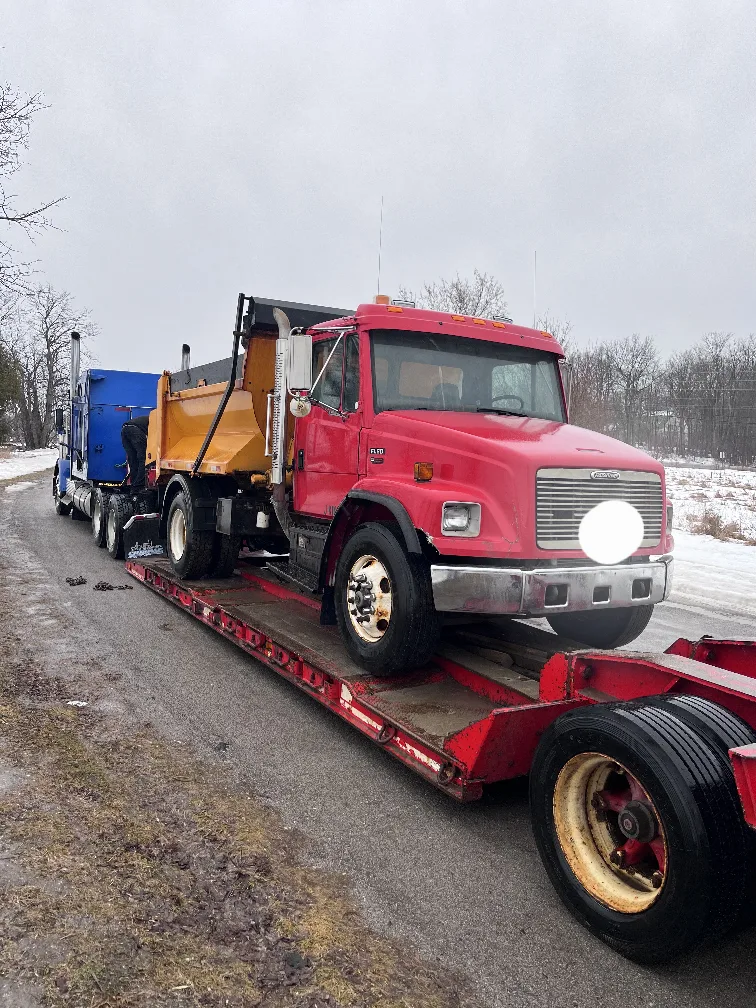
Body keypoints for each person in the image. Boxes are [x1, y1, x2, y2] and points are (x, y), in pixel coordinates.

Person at [120, 414, 150, 490]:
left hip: (124, 430)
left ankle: (133, 485)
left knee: (133, 460)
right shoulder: (157, 420)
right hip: (135, 430)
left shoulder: (147, 418)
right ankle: (139, 485)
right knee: (143, 458)